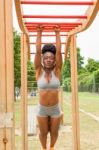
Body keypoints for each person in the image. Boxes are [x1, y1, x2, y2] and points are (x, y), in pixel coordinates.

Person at [34, 25, 63, 150]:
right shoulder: (38, 71)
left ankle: (51, 147)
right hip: (42, 109)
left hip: (55, 109)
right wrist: (39, 33)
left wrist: (57, 33)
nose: (49, 59)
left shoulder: (57, 71)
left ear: (54, 60)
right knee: (43, 133)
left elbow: (59, 52)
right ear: (43, 59)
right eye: (46, 58)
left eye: (51, 58)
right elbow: (37, 52)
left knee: (54, 133)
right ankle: (44, 148)